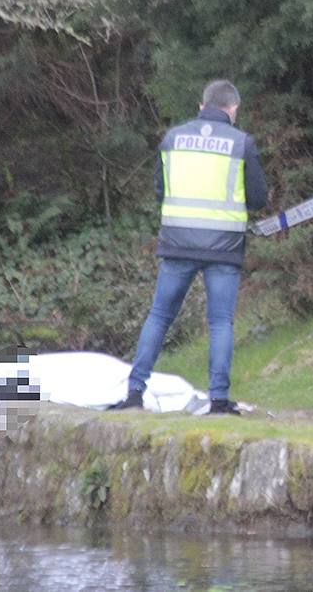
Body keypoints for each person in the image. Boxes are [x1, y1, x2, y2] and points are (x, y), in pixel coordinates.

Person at [108, 80, 269, 415]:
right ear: (233, 108)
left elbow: (159, 191)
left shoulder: (172, 139)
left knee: (159, 316)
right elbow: (258, 199)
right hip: (223, 246)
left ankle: (135, 394)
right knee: (221, 321)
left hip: (178, 242)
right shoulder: (242, 143)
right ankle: (219, 400)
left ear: (201, 106)